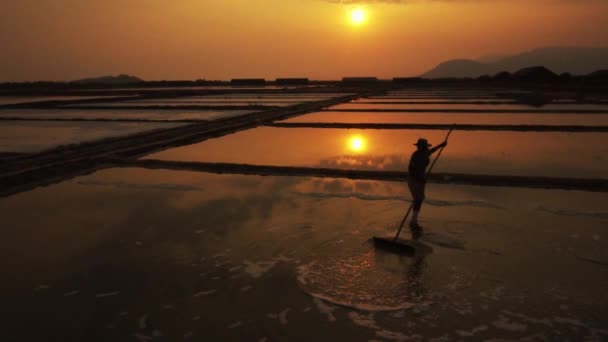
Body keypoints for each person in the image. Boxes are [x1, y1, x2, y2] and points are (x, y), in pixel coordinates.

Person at [407, 138, 448, 239]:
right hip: (414, 179)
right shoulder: (415, 155)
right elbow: (411, 169)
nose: (420, 148)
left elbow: (431, 151)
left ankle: (414, 220)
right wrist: (419, 178)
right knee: (418, 199)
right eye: (420, 146)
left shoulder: (425, 153)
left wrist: (441, 145)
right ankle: (413, 222)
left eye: (422, 146)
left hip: (421, 179)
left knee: (419, 199)